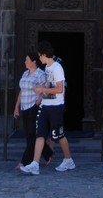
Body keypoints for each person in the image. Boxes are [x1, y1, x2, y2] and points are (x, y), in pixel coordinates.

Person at [20, 40, 75, 175]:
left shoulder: (57, 68)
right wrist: (42, 89)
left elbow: (59, 89)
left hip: (56, 106)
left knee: (59, 135)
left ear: (44, 54)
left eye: (39, 55)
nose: (39, 58)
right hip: (45, 105)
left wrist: (42, 90)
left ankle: (68, 159)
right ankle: (35, 164)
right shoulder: (47, 68)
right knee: (40, 134)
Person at [14, 52, 54, 169]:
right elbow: (22, 91)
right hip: (24, 107)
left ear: (33, 62)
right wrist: (17, 106)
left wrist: (37, 103)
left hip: (33, 106)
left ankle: (25, 161)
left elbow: (45, 90)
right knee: (30, 134)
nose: (25, 62)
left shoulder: (40, 74)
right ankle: (48, 153)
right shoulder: (25, 73)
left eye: (27, 60)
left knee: (32, 135)